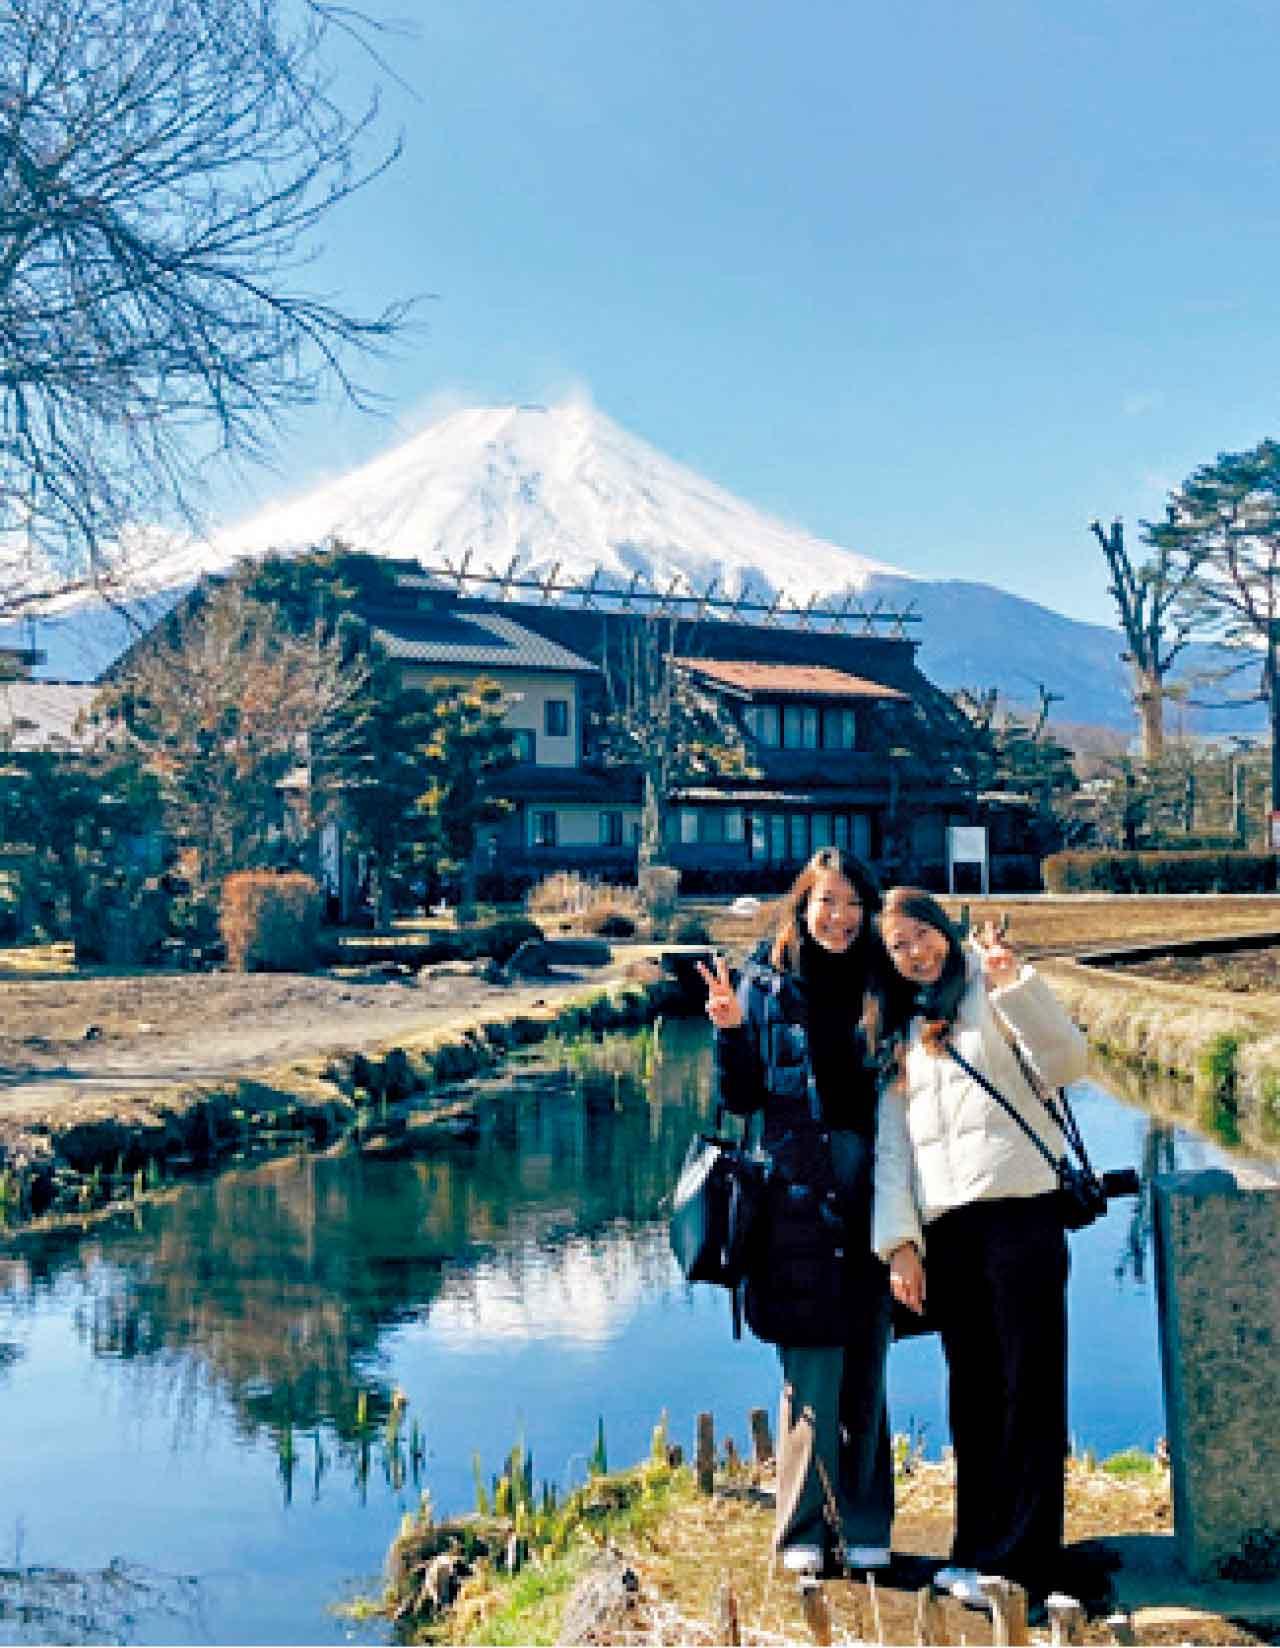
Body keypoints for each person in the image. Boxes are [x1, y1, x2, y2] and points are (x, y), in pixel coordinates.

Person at [873, 887, 1088, 1607]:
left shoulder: (990, 989)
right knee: (973, 1394)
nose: (915, 953)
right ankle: (977, 1549)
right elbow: (895, 1149)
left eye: (921, 935)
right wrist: (900, 1244)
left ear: (943, 928)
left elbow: (1067, 1063)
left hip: (1020, 1213)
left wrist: (1015, 984)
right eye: (898, 946)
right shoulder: (902, 1025)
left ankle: (1026, 1563)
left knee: (1031, 1388)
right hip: (949, 1232)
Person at [699, 847, 906, 1578]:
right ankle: (803, 1530)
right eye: (827, 902)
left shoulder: (886, 980)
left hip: (875, 1190)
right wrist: (729, 1029)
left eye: (853, 904)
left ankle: (866, 1522)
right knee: (811, 1367)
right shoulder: (761, 984)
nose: (840, 918)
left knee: (868, 1364)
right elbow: (741, 1100)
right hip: (793, 1195)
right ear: (802, 906)